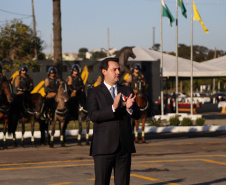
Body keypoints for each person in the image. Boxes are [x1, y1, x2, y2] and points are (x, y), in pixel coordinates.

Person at [87, 57, 141, 185]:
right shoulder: (94, 92)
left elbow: (138, 114)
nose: (118, 72)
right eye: (114, 69)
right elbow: (94, 115)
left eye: (118, 69)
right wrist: (112, 108)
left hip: (124, 146)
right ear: (104, 71)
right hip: (103, 147)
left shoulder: (127, 90)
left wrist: (129, 108)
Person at [126, 63, 146, 141]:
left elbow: (144, 84)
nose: (137, 70)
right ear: (133, 69)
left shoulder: (142, 76)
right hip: (133, 94)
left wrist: (143, 85)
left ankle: (149, 112)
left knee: (148, 100)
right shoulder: (131, 76)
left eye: (138, 69)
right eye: (135, 69)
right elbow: (127, 84)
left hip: (141, 93)